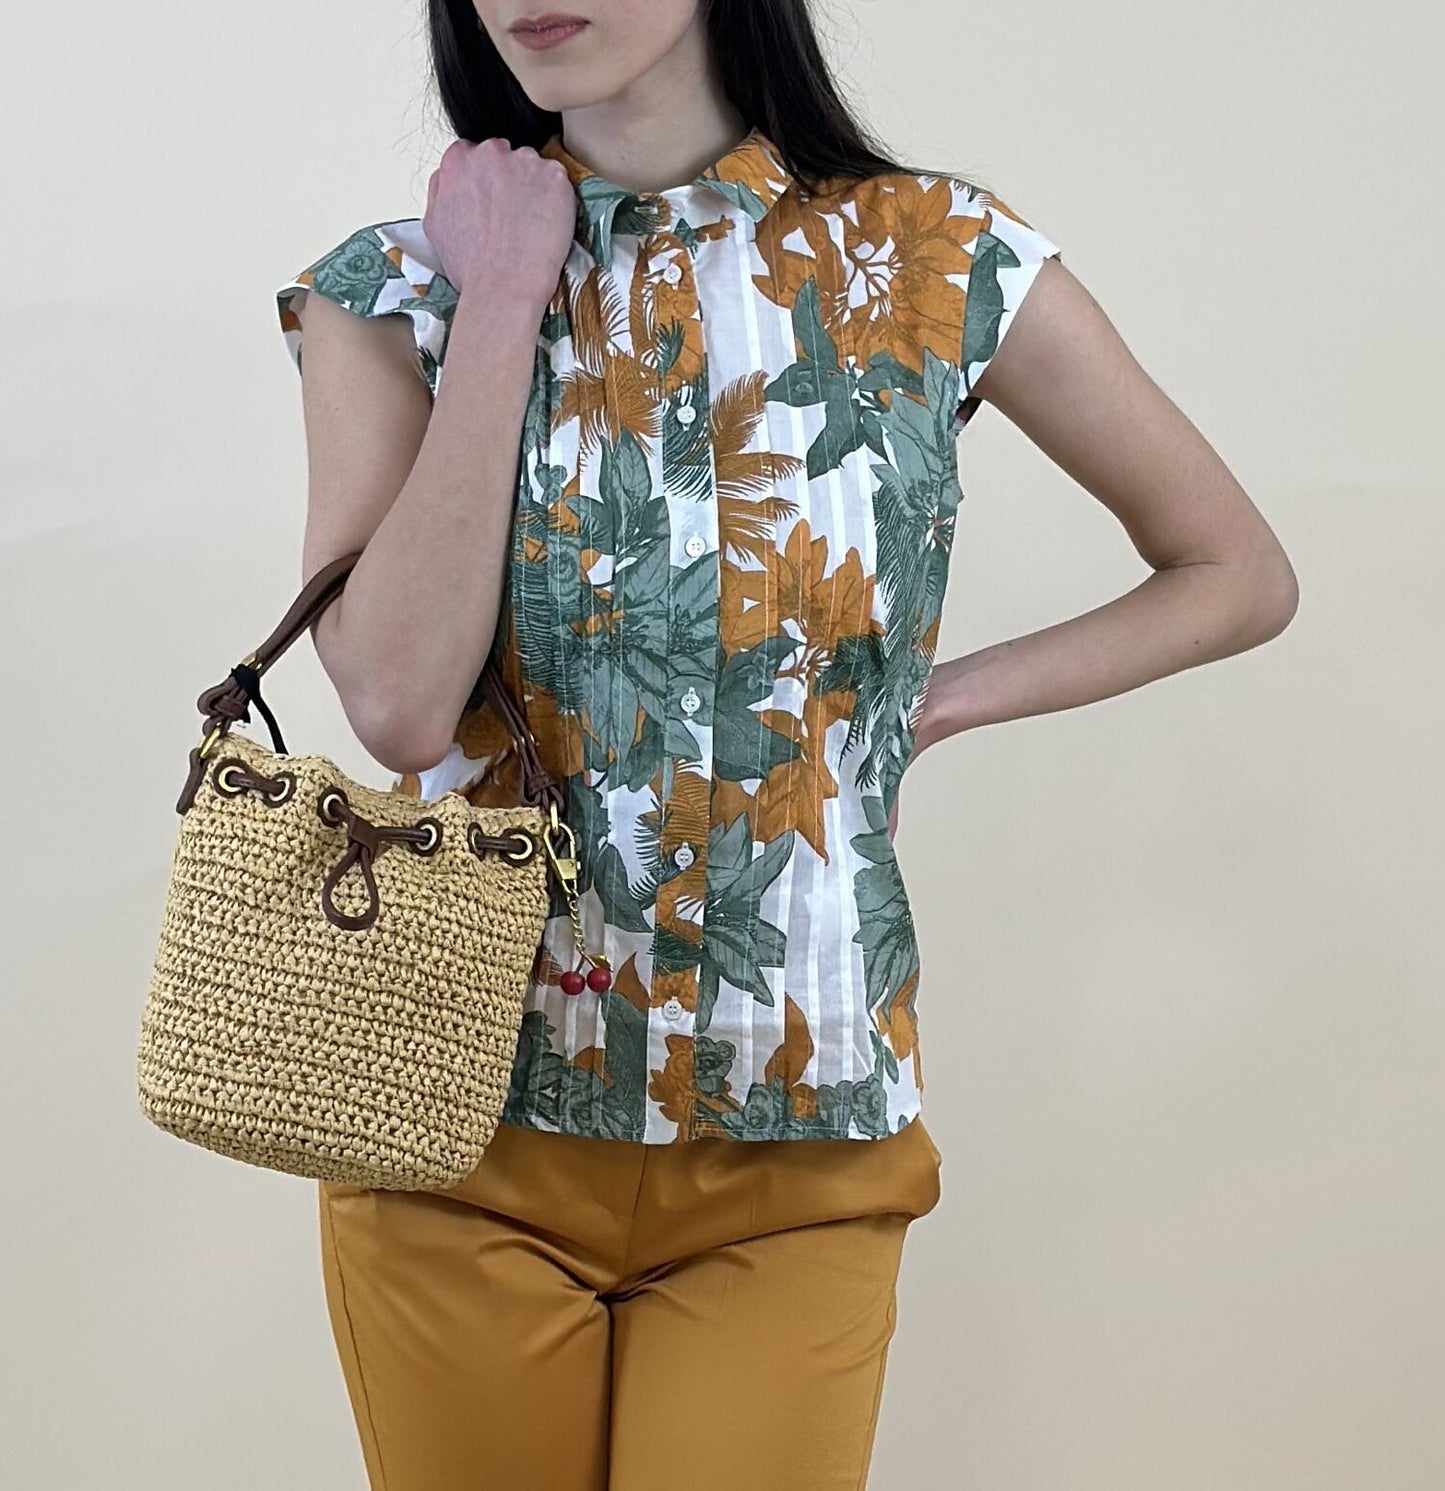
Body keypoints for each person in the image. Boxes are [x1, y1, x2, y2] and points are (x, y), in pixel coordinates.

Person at [273, 2, 1299, 1487]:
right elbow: (398, 704)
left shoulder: (933, 256)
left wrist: (934, 702)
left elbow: (1235, 572)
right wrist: (500, 297)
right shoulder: (390, 288)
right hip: (458, 1127)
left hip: (798, 1138)